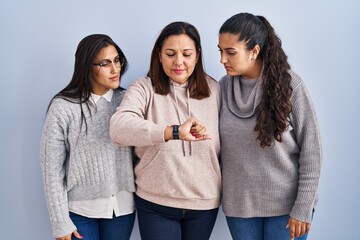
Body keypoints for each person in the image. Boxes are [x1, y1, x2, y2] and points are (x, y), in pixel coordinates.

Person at [110, 21, 221, 240]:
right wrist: (173, 131)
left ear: (197, 56)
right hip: (156, 202)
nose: (178, 62)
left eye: (186, 54)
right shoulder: (143, 88)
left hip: (204, 202)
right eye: (170, 54)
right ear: (159, 55)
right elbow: (118, 128)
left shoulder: (215, 89)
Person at [217, 13, 322, 240]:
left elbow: (312, 151)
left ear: (254, 51)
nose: (222, 59)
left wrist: (303, 207)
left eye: (230, 52)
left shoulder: (290, 85)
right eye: (220, 51)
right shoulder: (222, 88)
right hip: (239, 208)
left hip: (287, 208)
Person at [40, 34, 136, 240]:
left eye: (117, 60)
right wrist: (60, 221)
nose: (115, 69)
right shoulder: (63, 107)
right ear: (86, 66)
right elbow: (52, 170)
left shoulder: (128, 101)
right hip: (79, 212)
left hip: (122, 209)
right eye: (105, 63)